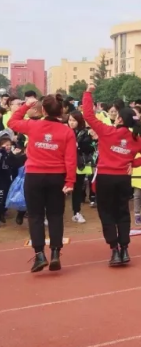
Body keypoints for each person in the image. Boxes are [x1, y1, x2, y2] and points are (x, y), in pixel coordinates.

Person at [83, 86, 141, 266]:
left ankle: (114, 249)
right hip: (123, 179)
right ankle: (124, 248)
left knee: (106, 213)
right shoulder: (135, 138)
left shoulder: (107, 131)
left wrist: (88, 93)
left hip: (105, 178)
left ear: (120, 118)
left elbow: (88, 116)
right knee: (122, 212)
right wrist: (133, 163)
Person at [9, 94, 77, 272]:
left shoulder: (33, 125)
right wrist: (70, 181)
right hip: (57, 177)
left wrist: (25, 106)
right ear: (60, 111)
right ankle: (55, 253)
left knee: (35, 216)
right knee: (55, 215)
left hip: (34, 176)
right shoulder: (67, 131)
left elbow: (12, 122)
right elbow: (71, 159)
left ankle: (39, 254)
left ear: (43, 110)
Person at [68, 111, 95, 222]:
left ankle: (77, 212)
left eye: (74, 120)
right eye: (70, 120)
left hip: (79, 165)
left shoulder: (85, 134)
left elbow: (90, 148)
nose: (71, 123)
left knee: (77, 189)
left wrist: (78, 146)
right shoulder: (65, 131)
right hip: (65, 164)